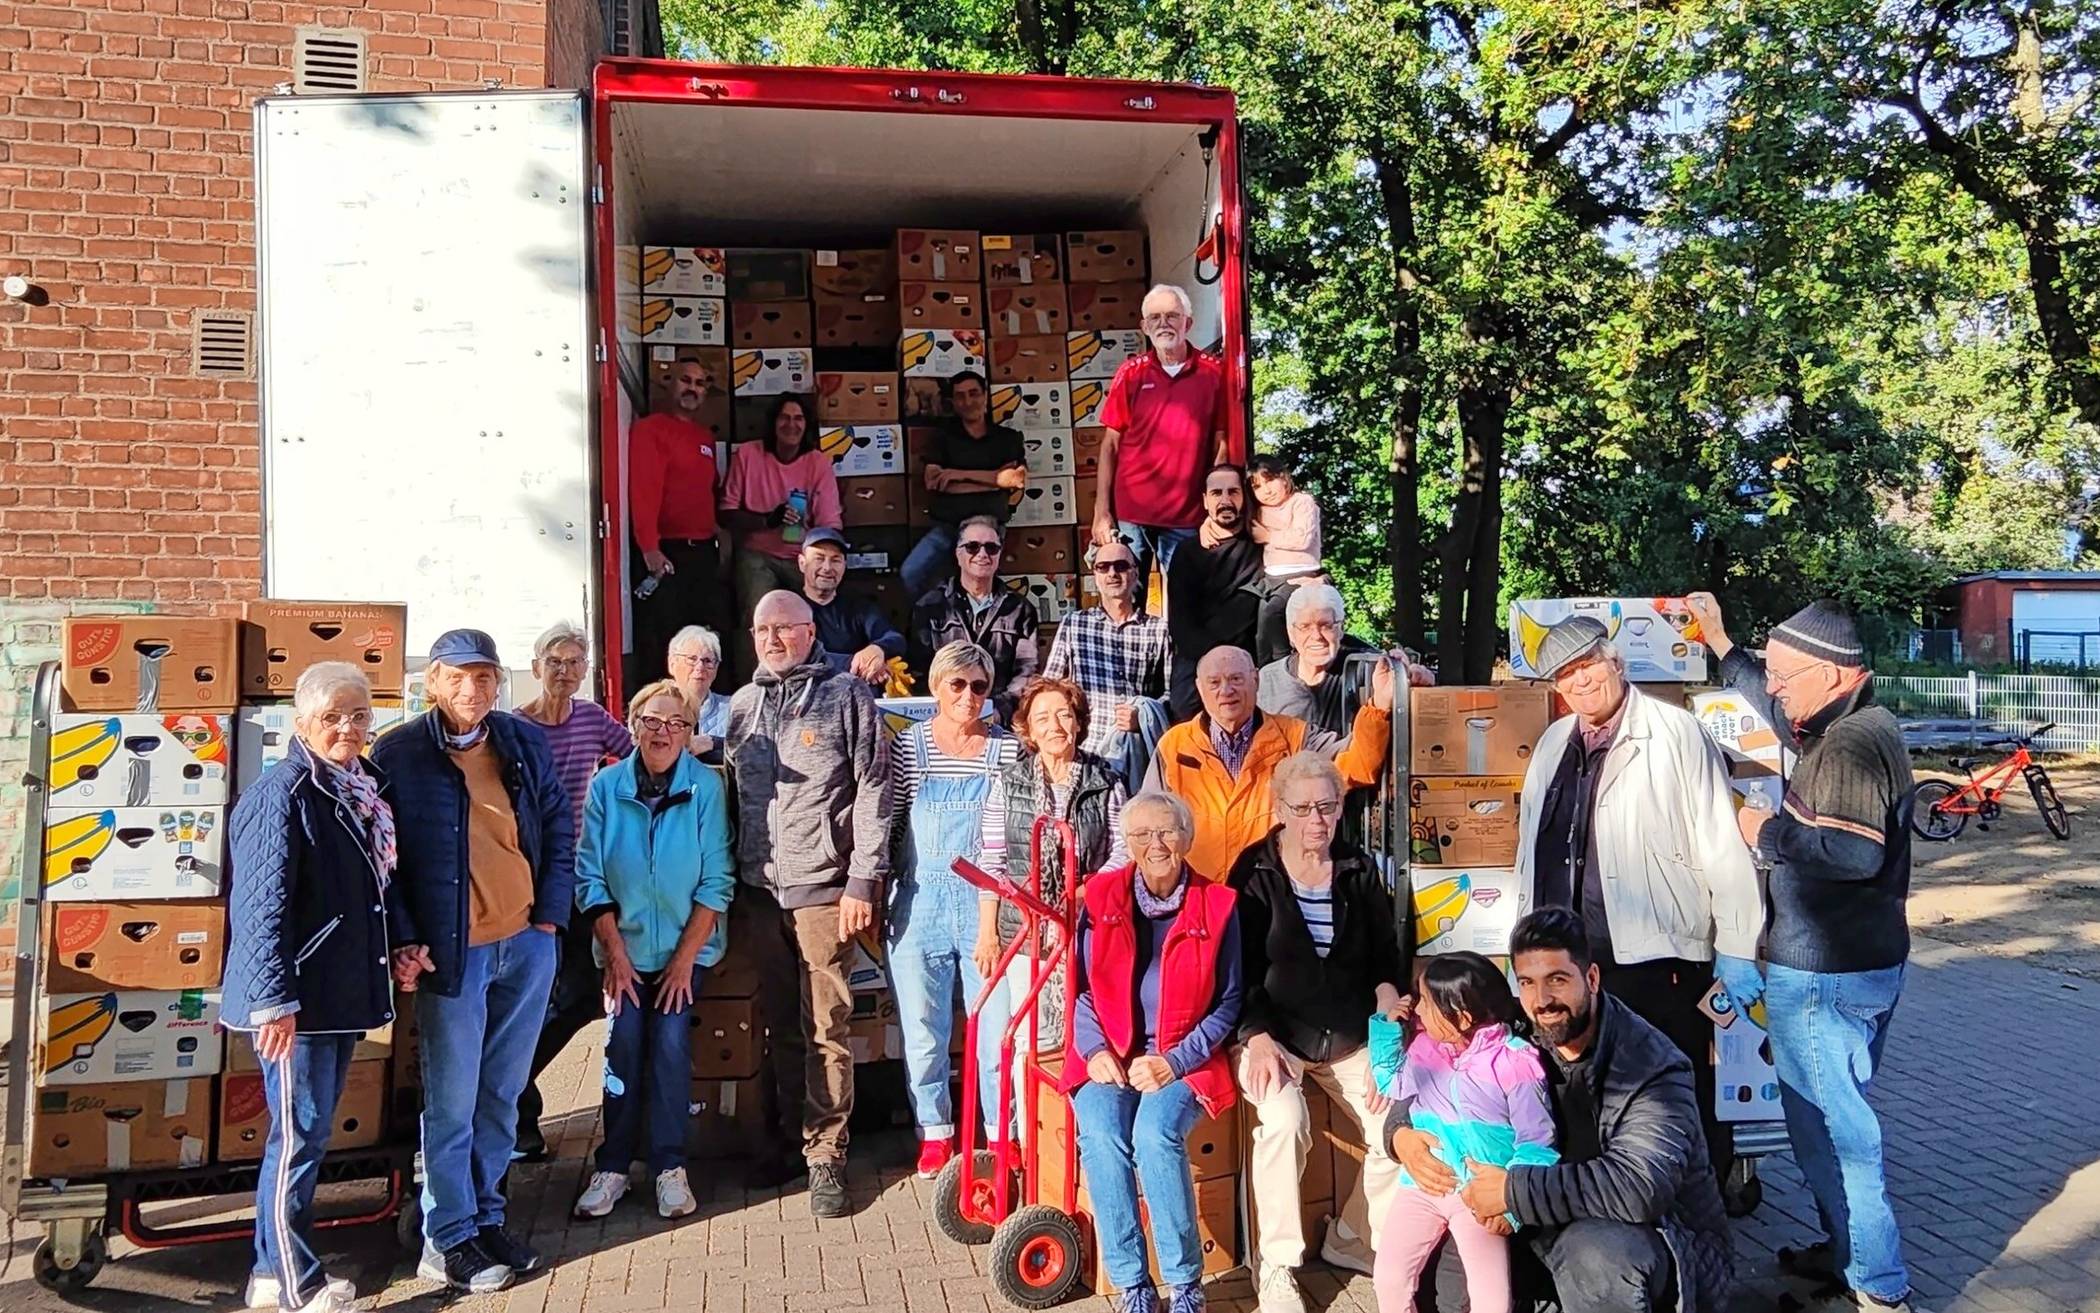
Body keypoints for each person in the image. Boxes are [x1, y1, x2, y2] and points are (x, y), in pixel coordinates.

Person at [1685, 593, 1915, 1313]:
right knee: (1826, 1125)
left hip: (1824, 978)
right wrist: (1723, 645)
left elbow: (1851, 852)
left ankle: (1879, 1286)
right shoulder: (1849, 722)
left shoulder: (1848, 746)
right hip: (1859, 965)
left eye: (1786, 674)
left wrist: (1764, 832)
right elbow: (1775, 710)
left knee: (1836, 1135)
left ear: (1834, 672)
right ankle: (1847, 1253)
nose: (1774, 687)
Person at [1513, 615, 1763, 1187]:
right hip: (1569, 960)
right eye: (1565, 676)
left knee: (1672, 1086)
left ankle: (1695, 1205)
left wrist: (1738, 941)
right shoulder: (1555, 741)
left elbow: (1717, 838)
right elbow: (1532, 845)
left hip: (1654, 955)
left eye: (1587, 666)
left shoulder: (1674, 732)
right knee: (1581, 1090)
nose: (1578, 683)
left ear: (1615, 662)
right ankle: (1602, 1205)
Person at [1388, 908, 1734, 1313]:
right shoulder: (1512, 1031)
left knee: (1596, 1256)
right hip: (1535, 1220)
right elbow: (1434, 1077)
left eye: (1557, 979)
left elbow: (1640, 1189)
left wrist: (1511, 1192)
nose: (1543, 1000)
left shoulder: (1651, 1065)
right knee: (1437, 1246)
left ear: (1591, 978)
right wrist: (1400, 1136)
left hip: (1652, 1241)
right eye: (1528, 984)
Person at [373, 629, 572, 1294]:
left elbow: (556, 823)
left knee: (502, 1095)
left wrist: (550, 916)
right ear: (434, 681)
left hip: (526, 943)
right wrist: (405, 934)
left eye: (485, 677)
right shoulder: (399, 752)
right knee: (452, 1102)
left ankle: (486, 1217)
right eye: (459, 677)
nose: (473, 690)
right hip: (455, 954)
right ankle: (447, 1236)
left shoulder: (520, 740)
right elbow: (386, 861)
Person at [223, 662, 397, 1313]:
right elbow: (262, 905)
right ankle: (300, 1285)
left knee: (310, 1134)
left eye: (358, 714)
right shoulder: (285, 792)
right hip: (295, 1002)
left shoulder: (356, 786)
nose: (348, 727)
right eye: (333, 716)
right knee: (296, 1137)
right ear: (302, 723)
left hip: (332, 993)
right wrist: (274, 1000)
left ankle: (271, 1272)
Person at [723, 590, 889, 1217]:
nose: (771, 639)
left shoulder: (846, 695)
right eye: (761, 628)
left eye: (783, 628)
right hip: (760, 891)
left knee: (826, 1026)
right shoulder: (741, 706)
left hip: (825, 888)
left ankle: (827, 1156)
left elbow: (877, 786)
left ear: (809, 630)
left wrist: (862, 881)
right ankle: (790, 1143)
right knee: (777, 1026)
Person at [1232, 753, 1413, 1313]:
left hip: (1350, 1036)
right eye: (1304, 807)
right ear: (1279, 809)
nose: (1317, 819)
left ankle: (1353, 1238)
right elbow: (1234, 974)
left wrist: (1388, 993)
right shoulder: (1254, 875)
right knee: (1285, 1121)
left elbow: (1387, 956)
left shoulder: (1358, 869)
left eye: (1328, 807)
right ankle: (1279, 1266)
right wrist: (1257, 1035)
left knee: (1399, 1122)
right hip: (1273, 1036)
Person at [1064, 791, 1243, 1313]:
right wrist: (1094, 1047)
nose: (1155, 844)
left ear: (1187, 839)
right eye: (1141, 834)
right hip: (1112, 1053)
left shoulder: (1219, 904)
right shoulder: (1101, 898)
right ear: (1127, 842)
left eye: (1166, 832)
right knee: (1099, 1132)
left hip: (1185, 1057)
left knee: (1153, 1134)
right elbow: (1081, 989)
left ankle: (1186, 1284)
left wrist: (1174, 1062)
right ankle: (1133, 1285)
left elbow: (1229, 1004)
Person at [569, 679, 735, 1221]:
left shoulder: (705, 787)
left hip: (685, 953)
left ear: (690, 734)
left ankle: (668, 1167)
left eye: (677, 724)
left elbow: (716, 880)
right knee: (623, 1045)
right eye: (652, 721)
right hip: (624, 950)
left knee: (667, 1044)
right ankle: (613, 1165)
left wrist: (686, 960)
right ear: (634, 726)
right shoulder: (606, 787)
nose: (664, 732)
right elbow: (589, 876)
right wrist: (615, 955)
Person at [886, 641, 1019, 1178]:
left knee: (995, 1031)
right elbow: (893, 820)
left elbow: (1012, 838)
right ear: (937, 688)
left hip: (989, 909)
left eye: (980, 686)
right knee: (923, 1028)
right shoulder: (909, 747)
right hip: (919, 901)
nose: (968, 696)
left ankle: (999, 1134)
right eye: (957, 685)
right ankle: (936, 1131)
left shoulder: (1007, 751)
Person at [976, 676, 1129, 1125]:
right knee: (1031, 1038)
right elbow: (993, 859)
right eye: (1043, 717)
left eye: (1064, 714)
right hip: (1026, 933)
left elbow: (1122, 851)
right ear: (1028, 729)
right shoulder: (1010, 781)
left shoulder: (1106, 779)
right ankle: (1034, 1138)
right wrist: (988, 933)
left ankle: (1082, 1137)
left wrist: (1084, 893)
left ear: (1079, 722)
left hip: (1090, 930)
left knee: (1088, 1033)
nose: (1055, 726)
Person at [1372, 953, 1559, 1313]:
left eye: (1426, 1002)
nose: (1418, 1010)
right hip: (1422, 1190)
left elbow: (1537, 1141)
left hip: (1478, 1198)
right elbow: (1392, 1082)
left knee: (1490, 1297)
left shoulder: (1516, 1062)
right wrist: (1386, 1030)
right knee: (1389, 1277)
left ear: (1461, 1016)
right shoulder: (1425, 1048)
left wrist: (1512, 1204)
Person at [514, 621, 634, 1162]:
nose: (564, 672)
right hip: (530, 876)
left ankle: (514, 1085)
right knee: (534, 991)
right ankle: (514, 1102)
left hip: (580, 871)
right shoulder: (515, 727)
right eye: (554, 662)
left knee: (580, 994)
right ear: (537, 667)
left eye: (574, 663)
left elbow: (637, 752)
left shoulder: (590, 718)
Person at [1145, 646, 1395, 883]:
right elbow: (1148, 819)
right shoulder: (1175, 745)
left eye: (1236, 679)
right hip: (1199, 900)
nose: (1226, 690)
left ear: (1256, 680)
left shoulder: (1294, 736)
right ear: (1200, 689)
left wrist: (1380, 705)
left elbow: (1354, 763)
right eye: (1214, 682)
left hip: (1273, 898)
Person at [1088, 284, 1230, 590]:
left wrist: (1214, 508)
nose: (1163, 324)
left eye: (1172, 316)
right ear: (1144, 326)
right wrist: (1102, 512)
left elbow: (1222, 445)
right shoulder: (1131, 373)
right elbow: (1110, 444)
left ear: (1188, 323)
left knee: (1188, 599)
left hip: (1187, 513)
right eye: (1154, 317)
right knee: (1122, 596)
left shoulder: (1214, 373)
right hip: (1131, 514)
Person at [721, 394, 843, 674]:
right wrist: (767, 520)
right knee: (759, 615)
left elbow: (829, 525)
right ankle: (754, 686)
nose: (791, 425)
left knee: (814, 615)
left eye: (798, 418)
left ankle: (814, 681)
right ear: (773, 423)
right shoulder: (748, 455)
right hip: (757, 553)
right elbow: (726, 513)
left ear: (807, 425)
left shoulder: (817, 463)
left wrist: (820, 561)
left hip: (802, 555)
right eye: (784, 418)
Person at [629, 355, 729, 685]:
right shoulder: (650, 429)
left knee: (703, 638)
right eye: (686, 380)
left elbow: (703, 494)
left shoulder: (705, 438)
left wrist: (720, 534)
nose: (693, 388)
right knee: (664, 641)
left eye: (700, 383)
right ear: (668, 383)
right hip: (667, 554)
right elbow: (643, 490)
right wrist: (649, 548)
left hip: (702, 553)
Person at [1043, 536, 1172, 789]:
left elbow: (1172, 693)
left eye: (1121, 566)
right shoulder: (1074, 624)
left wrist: (1143, 716)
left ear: (1135, 574)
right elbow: (1049, 688)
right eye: (1104, 567)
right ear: (1095, 576)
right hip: (1083, 750)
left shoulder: (1158, 629)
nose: (1113, 573)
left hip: (1135, 752)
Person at [900, 370, 1029, 598]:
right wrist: (994, 480)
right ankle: (936, 622)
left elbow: (1015, 480)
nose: (968, 401)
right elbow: (933, 482)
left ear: (986, 396)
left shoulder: (1007, 437)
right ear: (953, 403)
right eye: (960, 396)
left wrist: (957, 475)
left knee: (978, 585)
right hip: (947, 526)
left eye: (974, 393)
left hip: (987, 528)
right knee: (911, 572)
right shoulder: (942, 437)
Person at [908, 515, 1039, 721]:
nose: (982, 554)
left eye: (991, 548)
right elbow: (919, 669)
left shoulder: (1020, 609)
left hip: (1000, 721)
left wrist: (997, 711)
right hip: (945, 718)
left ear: (999, 554)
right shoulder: (930, 606)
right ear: (958, 554)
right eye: (972, 547)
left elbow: (1026, 672)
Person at [1164, 466, 1265, 721]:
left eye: (1233, 492)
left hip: (1250, 657)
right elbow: (1180, 622)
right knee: (1184, 706)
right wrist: (1217, 659)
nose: (1225, 500)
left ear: (1245, 496)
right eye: (1216, 493)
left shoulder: (1262, 546)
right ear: (1205, 501)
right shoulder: (1188, 551)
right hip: (1200, 654)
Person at [1256, 583, 1379, 738]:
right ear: (1291, 633)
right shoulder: (1268, 681)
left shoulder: (1364, 668)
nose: (1316, 636)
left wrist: (1413, 673)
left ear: (1341, 628)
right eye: (1305, 627)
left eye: (1325, 625)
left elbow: (1404, 676)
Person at [799, 526, 904, 687]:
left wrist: (877, 649)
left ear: (844, 566)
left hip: (853, 695)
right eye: (819, 558)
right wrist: (859, 664)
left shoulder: (859, 607)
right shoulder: (789, 608)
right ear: (802, 563)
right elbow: (797, 658)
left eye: (835, 560)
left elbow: (895, 639)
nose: (827, 568)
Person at [1247, 454, 1324, 665]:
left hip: (1301, 573)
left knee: (1274, 614)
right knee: (1261, 628)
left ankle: (1284, 665)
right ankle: (1264, 671)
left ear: (1283, 477)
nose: (1267, 490)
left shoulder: (1302, 502)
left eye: (1270, 480)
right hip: (1271, 577)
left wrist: (1268, 536)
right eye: (1257, 487)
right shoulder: (1257, 511)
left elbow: (1302, 538)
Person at [665, 625, 732, 759]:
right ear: (672, 664)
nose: (700, 667)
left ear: (716, 668)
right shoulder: (652, 708)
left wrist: (714, 743)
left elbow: (756, 752)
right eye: (692, 659)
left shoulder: (734, 709)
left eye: (708, 661)